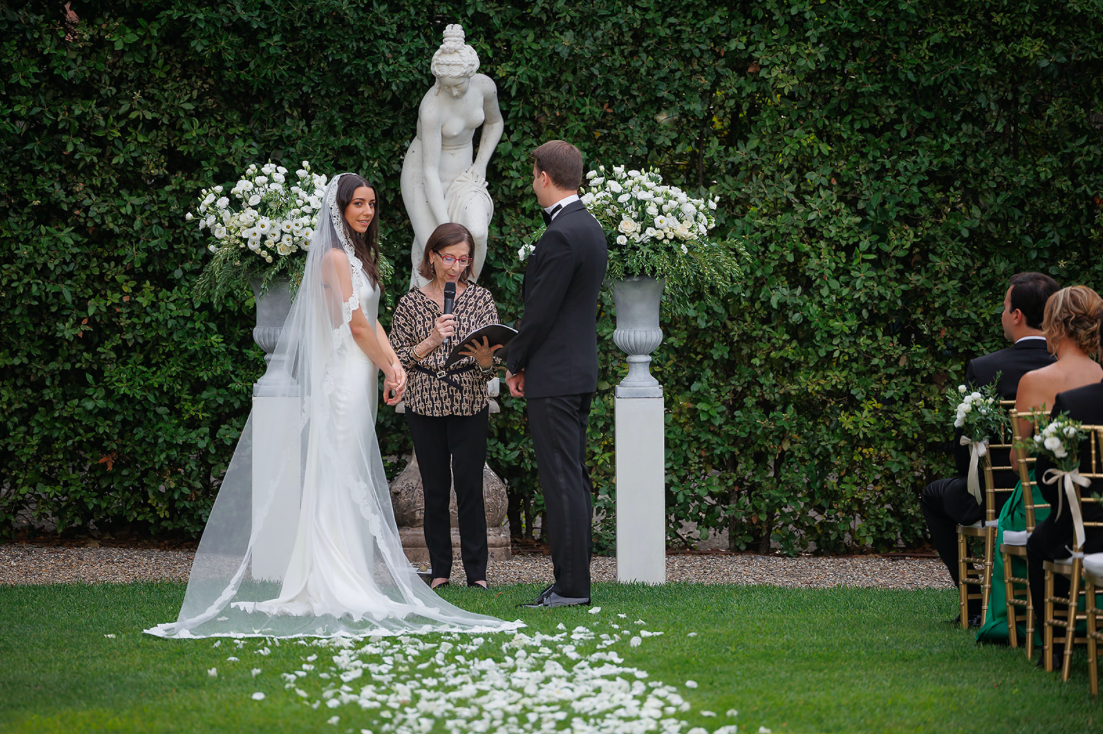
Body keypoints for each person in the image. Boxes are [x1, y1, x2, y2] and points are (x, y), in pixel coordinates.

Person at [146, 173, 521, 638]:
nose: (366, 212)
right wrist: (391, 365)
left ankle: (352, 570)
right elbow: (357, 326)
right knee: (340, 468)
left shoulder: (361, 260)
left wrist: (393, 367)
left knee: (352, 469)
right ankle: (332, 575)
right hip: (345, 374)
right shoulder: (334, 258)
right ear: (339, 208)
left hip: (367, 372)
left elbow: (374, 322)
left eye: (371, 204)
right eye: (358, 204)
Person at [921, 272, 1059, 625]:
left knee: (933, 495)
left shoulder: (984, 369)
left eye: (1004, 307)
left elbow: (963, 448)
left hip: (992, 497)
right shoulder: (1074, 370)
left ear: (1015, 315)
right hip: (1055, 497)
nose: (1002, 315)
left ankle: (973, 603)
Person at [506, 140, 608, 608]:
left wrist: (514, 360)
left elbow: (541, 313)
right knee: (573, 478)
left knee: (562, 481)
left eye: (533, 176)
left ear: (545, 176)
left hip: (556, 375)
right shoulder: (589, 227)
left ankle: (571, 588)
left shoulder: (562, 234)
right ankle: (570, 582)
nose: (532, 184)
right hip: (576, 371)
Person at [389, 223, 502, 591]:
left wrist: (487, 361)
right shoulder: (411, 302)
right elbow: (395, 360)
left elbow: (492, 367)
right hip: (424, 404)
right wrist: (432, 339)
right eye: (449, 258)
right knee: (434, 490)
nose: (455, 267)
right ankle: (440, 571)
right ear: (432, 257)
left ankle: (477, 573)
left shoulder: (481, 299)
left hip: (469, 401)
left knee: (470, 488)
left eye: (463, 259)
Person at [1024, 290, 1103, 667]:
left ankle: (1053, 645)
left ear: (1055, 326)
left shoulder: (1044, 384)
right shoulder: (1099, 378)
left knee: (1040, 542)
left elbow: (1032, 466)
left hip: (1078, 513)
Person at [401, 24, 503, 287]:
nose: (455, 92)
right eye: (447, 86)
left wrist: (480, 164)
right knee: (437, 255)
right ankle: (426, 318)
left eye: (459, 85)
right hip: (424, 179)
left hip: (465, 176)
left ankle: (466, 298)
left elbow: (494, 123)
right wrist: (447, 230)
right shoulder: (432, 107)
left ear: (471, 73)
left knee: (477, 233)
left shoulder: (484, 87)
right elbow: (429, 172)